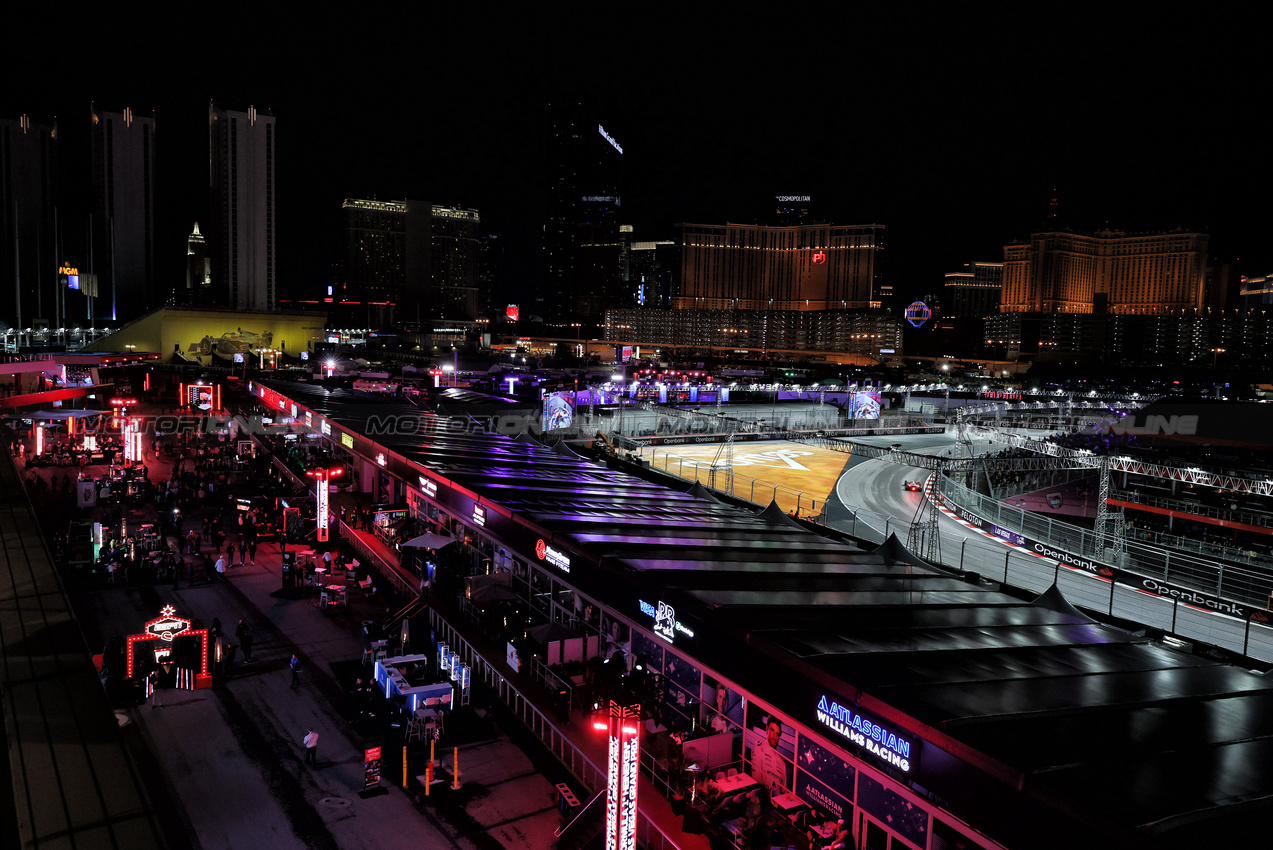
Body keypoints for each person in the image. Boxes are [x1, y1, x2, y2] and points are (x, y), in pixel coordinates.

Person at [750, 717, 789, 795]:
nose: (774, 736)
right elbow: (756, 779)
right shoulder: (758, 747)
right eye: (772, 730)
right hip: (760, 799)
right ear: (767, 729)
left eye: (777, 734)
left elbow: (784, 791)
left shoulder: (781, 763)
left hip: (775, 803)